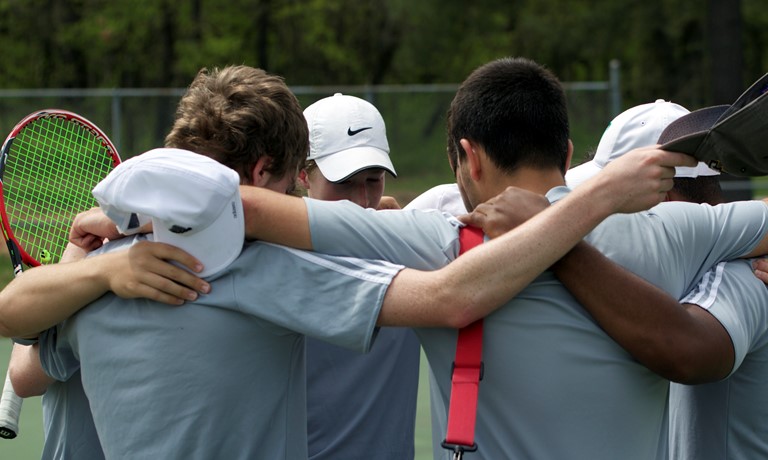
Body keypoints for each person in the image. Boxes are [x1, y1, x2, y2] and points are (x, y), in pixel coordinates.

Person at [0, 63, 697, 459]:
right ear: (280, 175)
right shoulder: (264, 272)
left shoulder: (107, 271)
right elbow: (450, 296)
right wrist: (594, 199)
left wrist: (93, 269)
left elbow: (24, 353)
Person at [299, 93, 420, 460]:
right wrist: (113, 272)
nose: (362, 199)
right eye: (344, 182)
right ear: (303, 174)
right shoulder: (265, 255)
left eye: (373, 179)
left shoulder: (410, 241)